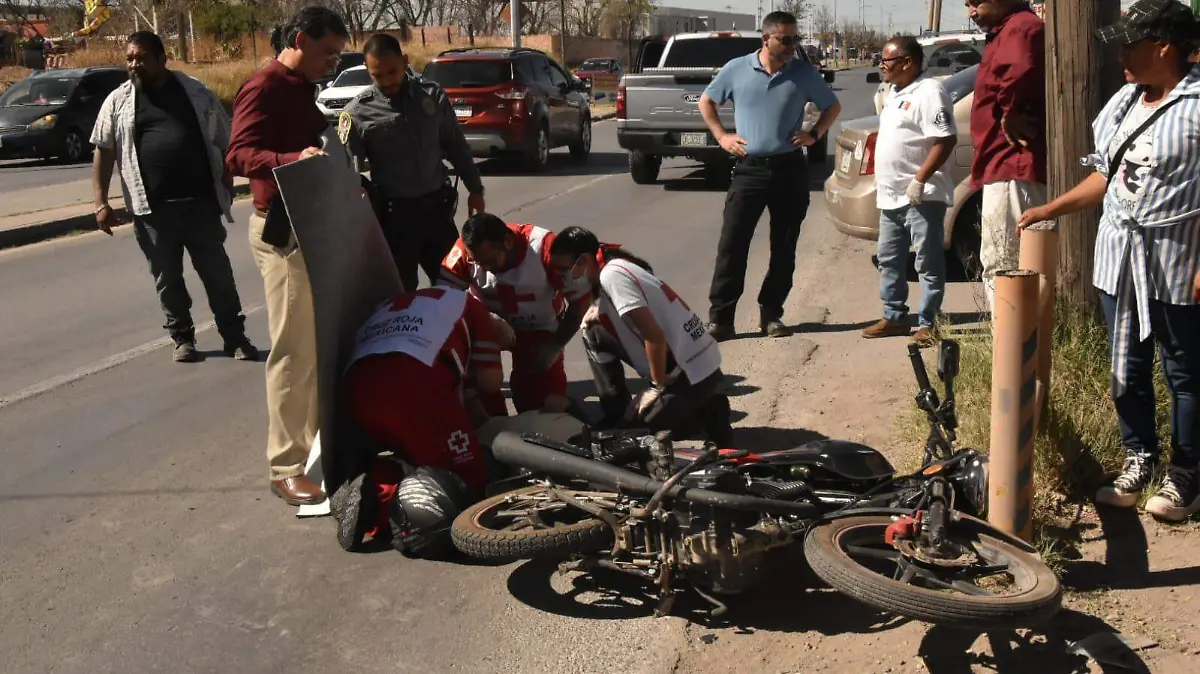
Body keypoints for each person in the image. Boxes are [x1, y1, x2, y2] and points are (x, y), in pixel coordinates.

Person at [1017, 0, 1200, 522]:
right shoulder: (1124, 103)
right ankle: (1139, 456)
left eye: (1130, 45)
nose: (1121, 56)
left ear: (1163, 47)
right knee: (1127, 365)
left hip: (1177, 259)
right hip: (1119, 258)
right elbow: (1108, 175)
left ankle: (1187, 473)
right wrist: (1052, 208)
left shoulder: (1196, 106)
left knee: (1184, 371)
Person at [226, 6, 348, 507]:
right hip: (281, 233)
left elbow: (315, 138)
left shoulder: (301, 89)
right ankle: (286, 466)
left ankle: (321, 447)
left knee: (318, 345)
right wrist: (293, 160)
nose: (333, 64)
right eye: (328, 53)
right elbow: (238, 154)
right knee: (293, 350)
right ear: (300, 39)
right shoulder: (264, 86)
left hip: (311, 225)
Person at [91, 31, 258, 364]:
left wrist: (228, 178)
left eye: (141, 58)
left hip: (200, 205)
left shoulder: (195, 92)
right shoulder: (118, 101)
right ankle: (182, 338)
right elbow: (104, 150)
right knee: (167, 280)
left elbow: (223, 139)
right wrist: (101, 202)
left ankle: (235, 337)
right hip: (152, 211)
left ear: (162, 59)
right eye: (130, 58)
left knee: (218, 275)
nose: (134, 64)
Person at [699, 11, 842, 341]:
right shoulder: (737, 69)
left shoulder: (803, 73)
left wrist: (814, 134)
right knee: (732, 244)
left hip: (789, 170)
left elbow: (832, 107)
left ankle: (771, 313)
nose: (792, 45)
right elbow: (706, 102)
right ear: (766, 39)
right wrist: (722, 136)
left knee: (784, 245)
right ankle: (722, 319)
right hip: (749, 170)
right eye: (786, 39)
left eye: (795, 39)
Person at [332, 286, 504, 555]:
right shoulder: (477, 311)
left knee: (418, 453)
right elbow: (490, 384)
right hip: (412, 383)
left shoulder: (420, 303)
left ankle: (374, 479)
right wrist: (497, 336)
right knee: (468, 485)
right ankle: (380, 504)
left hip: (356, 384)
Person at [547, 227, 733, 444]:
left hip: (689, 374)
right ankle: (620, 411)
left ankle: (700, 414)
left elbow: (655, 336)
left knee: (621, 441)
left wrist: (655, 388)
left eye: (564, 270)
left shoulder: (611, 275)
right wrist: (602, 312)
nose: (563, 278)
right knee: (592, 331)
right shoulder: (615, 266)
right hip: (700, 365)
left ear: (584, 260)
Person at [340, 33, 485, 291]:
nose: (387, 81)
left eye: (392, 72)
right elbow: (348, 173)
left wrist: (475, 189)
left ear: (405, 61)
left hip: (437, 213)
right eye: (378, 75)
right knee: (400, 296)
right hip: (395, 220)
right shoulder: (357, 113)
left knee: (457, 287)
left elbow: (456, 146)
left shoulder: (431, 96)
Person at [439, 214, 590, 416]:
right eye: (477, 262)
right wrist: (487, 319)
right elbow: (442, 299)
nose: (484, 268)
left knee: (541, 407)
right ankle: (493, 422)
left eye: (490, 261)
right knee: (482, 389)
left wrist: (555, 346)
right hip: (487, 328)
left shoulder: (546, 249)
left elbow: (580, 301)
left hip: (539, 330)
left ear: (508, 242)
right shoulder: (462, 253)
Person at [862, 36, 957, 347]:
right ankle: (895, 316)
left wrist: (920, 178)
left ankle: (929, 322)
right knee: (889, 260)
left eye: (886, 60)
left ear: (907, 62)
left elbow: (945, 139)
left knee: (927, 262)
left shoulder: (929, 92)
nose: (881, 66)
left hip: (921, 196)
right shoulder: (894, 92)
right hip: (891, 197)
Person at [966, 0, 1047, 311]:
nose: (972, 12)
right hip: (1002, 163)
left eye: (976, 2)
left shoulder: (1021, 27)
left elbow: (1019, 69)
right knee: (1003, 262)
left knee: (1004, 264)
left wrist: (1009, 109)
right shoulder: (1008, 29)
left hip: (1012, 163)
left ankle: (1010, 337)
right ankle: (1010, 334)